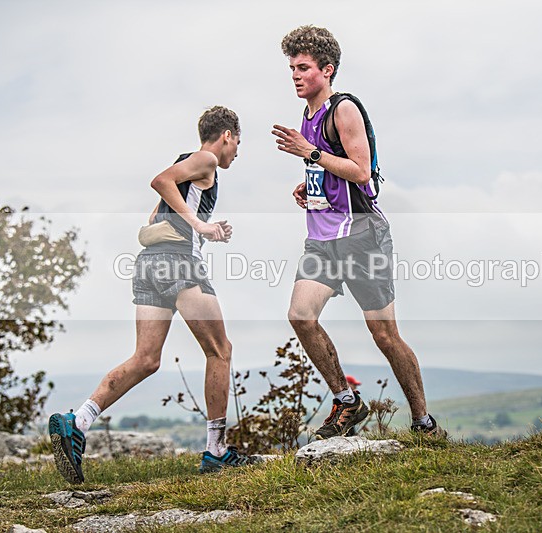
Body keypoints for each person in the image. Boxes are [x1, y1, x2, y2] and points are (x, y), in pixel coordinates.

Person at [49, 106, 250, 484]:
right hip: (178, 263)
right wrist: (200, 225)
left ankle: (78, 422)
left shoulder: (186, 166)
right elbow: (159, 181)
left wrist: (202, 231)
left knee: (145, 359)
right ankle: (216, 451)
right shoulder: (206, 159)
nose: (237, 151)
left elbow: (155, 218)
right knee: (220, 350)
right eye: (238, 142)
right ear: (226, 135)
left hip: (149, 264)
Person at [272, 25, 444, 439]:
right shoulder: (308, 116)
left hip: (362, 236)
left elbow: (362, 171)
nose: (295, 75)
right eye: (291, 68)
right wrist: (310, 184)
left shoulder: (343, 109)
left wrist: (311, 153)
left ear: (327, 70)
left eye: (303, 68)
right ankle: (347, 400)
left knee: (384, 334)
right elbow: (332, 169)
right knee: (300, 316)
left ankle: (423, 423)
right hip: (323, 238)